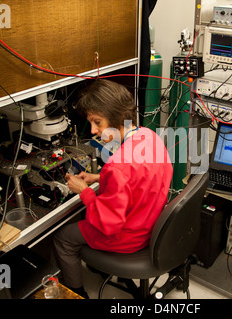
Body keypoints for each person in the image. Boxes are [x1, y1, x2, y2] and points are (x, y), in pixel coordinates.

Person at [53, 79, 173, 299]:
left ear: (117, 115)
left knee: (62, 237)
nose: (93, 130)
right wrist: (99, 177)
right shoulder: (150, 136)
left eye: (97, 122)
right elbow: (142, 176)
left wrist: (84, 191)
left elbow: (108, 224)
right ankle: (98, 268)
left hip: (128, 237)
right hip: (151, 224)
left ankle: (77, 294)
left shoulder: (117, 166)